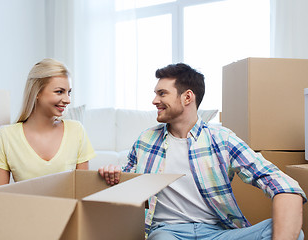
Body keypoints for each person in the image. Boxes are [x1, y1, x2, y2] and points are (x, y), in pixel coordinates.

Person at [99, 63, 306, 240]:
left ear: (187, 97)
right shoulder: (145, 140)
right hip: (168, 232)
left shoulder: (221, 139)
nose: (154, 100)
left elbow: (284, 186)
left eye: (162, 93)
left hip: (217, 233)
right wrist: (113, 175)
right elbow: (125, 189)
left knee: (290, 231)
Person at [0, 58, 96, 186]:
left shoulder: (76, 130)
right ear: (37, 92)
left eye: (69, 92)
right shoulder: (6, 136)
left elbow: (82, 190)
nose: (67, 100)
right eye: (59, 92)